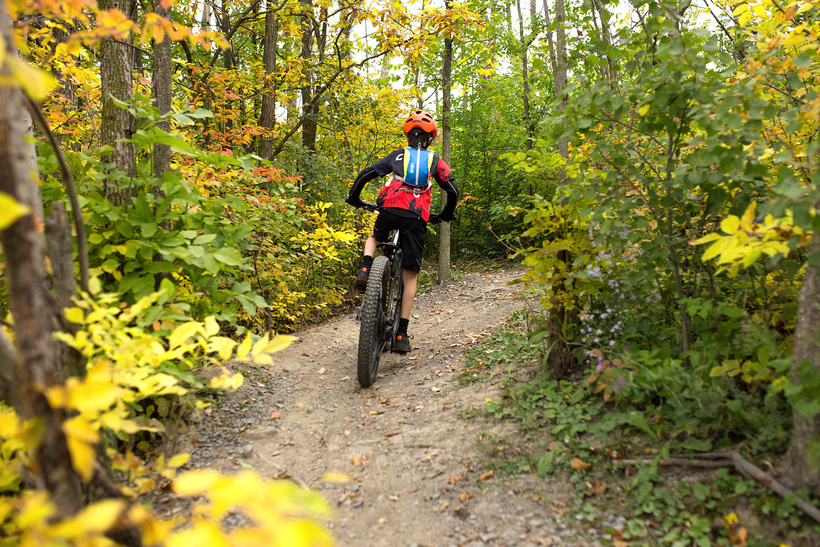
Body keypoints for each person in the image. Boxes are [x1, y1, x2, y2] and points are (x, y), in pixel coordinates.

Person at [345, 109, 459, 353]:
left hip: (390, 210)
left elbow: (366, 174)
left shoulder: (397, 156)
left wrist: (354, 197)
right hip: (416, 218)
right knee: (410, 276)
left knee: (375, 237)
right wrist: (447, 214)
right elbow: (453, 192)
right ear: (430, 139)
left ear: (408, 137)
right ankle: (401, 335)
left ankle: (366, 268)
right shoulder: (435, 161)